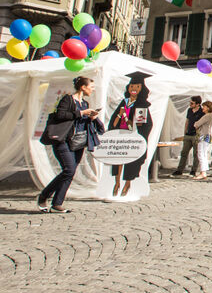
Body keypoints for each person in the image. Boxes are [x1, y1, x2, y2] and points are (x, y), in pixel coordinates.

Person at [37, 76, 103, 213]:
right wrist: (80, 113)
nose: (93, 89)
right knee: (69, 169)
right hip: (63, 140)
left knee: (70, 172)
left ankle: (57, 204)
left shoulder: (85, 103)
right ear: (83, 87)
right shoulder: (67, 99)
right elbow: (60, 115)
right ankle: (44, 195)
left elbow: (82, 121)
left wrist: (91, 117)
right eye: (91, 87)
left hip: (78, 141)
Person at [108, 71, 153, 197]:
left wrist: (139, 132)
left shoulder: (142, 105)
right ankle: (117, 182)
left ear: (141, 89)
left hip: (133, 135)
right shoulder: (125, 102)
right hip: (121, 134)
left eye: (137, 87)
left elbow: (146, 124)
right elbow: (114, 119)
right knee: (119, 160)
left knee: (130, 160)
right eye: (132, 86)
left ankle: (127, 183)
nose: (134, 89)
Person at [173, 96, 203, 176]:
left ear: (197, 104)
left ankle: (193, 170)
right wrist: (185, 132)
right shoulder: (189, 110)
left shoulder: (202, 111)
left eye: (192, 103)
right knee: (184, 152)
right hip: (188, 134)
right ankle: (179, 170)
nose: (190, 104)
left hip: (196, 135)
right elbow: (187, 121)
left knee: (196, 154)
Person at [192, 101, 212, 180]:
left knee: (201, 154)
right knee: (204, 154)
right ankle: (204, 171)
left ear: (208, 107)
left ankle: (203, 172)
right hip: (207, 136)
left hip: (203, 136)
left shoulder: (207, 116)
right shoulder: (211, 115)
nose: (203, 108)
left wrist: (196, 124)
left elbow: (196, 124)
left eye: (204, 106)